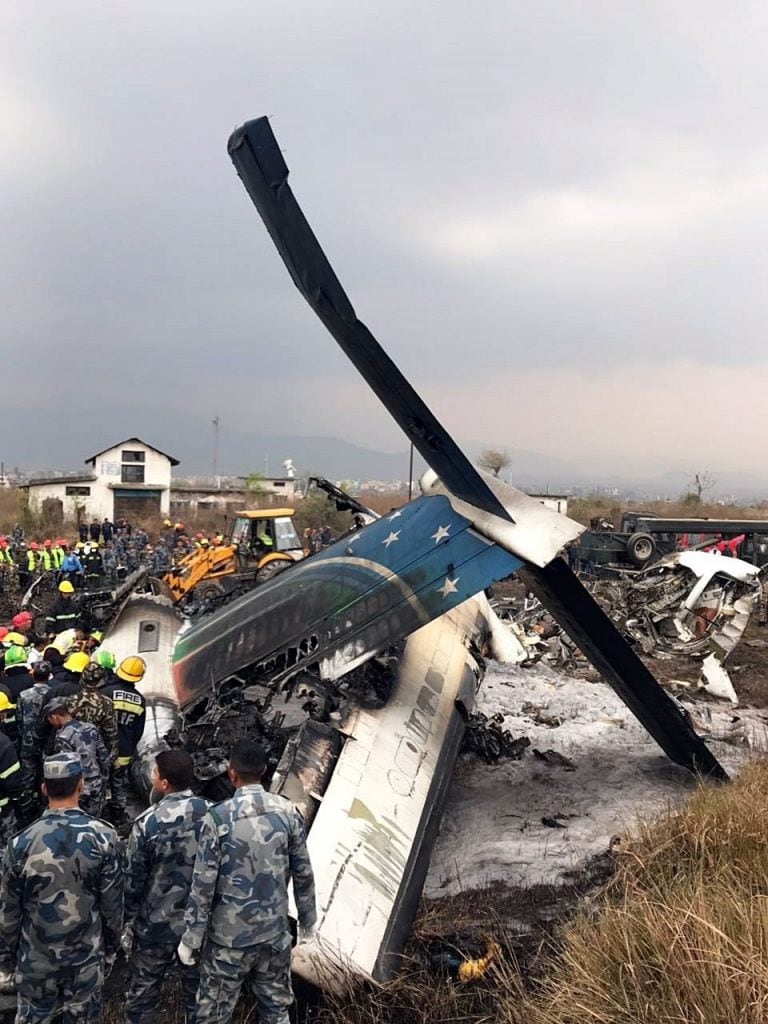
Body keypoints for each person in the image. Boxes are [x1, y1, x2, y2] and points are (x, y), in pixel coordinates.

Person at [179, 739, 316, 1024]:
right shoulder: (288, 812)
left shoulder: (217, 819)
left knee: (213, 1016)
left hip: (227, 942)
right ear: (265, 770)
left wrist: (191, 938)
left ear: (231, 773)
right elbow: (303, 872)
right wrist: (307, 922)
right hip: (274, 936)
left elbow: (203, 885)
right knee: (276, 1010)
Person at [0, 752, 123, 1023]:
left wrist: (6, 963)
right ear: (81, 784)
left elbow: (8, 914)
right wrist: (110, 950)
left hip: (36, 962)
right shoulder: (104, 838)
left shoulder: (20, 844)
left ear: (44, 789)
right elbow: (113, 906)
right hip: (85, 960)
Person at [124, 751, 210, 1024]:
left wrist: (125, 923)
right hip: (200, 926)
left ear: (163, 783)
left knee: (142, 998)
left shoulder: (148, 823)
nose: (151, 776)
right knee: (198, 1000)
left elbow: (133, 882)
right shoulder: (214, 815)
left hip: (154, 926)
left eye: (154, 773)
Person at [46, 700, 110, 818]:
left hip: (76, 787)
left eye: (50, 720)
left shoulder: (63, 737)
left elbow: (64, 768)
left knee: (75, 820)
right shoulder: (90, 728)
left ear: (55, 717)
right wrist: (103, 779)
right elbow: (104, 756)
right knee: (94, 820)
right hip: (95, 782)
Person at [102, 656, 146, 824]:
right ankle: (118, 814)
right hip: (124, 751)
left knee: (100, 781)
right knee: (118, 782)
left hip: (103, 749)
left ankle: (98, 813)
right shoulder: (139, 700)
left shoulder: (106, 693)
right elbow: (138, 731)